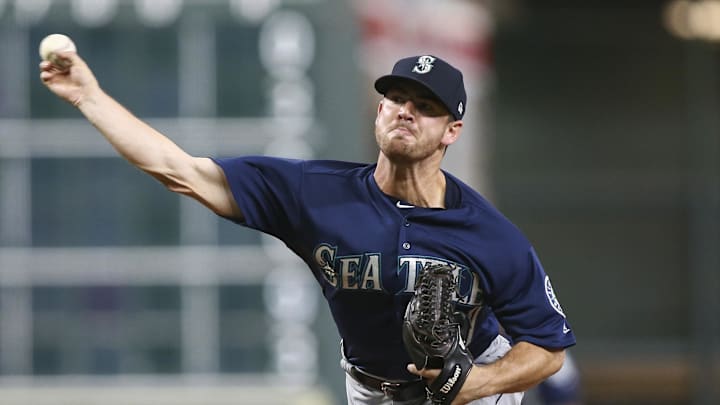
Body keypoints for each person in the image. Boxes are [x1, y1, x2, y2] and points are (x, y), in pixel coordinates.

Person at [39, 50, 576, 405]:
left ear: (452, 130)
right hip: (370, 388)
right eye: (395, 99)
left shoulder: (489, 233)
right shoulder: (314, 193)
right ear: (378, 111)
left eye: (425, 106)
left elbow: (546, 348)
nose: (404, 112)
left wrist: (476, 384)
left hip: (471, 385)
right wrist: (89, 96)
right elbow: (179, 170)